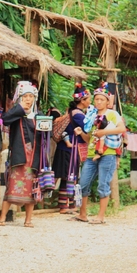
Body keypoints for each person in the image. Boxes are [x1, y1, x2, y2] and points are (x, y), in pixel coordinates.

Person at [69, 82, 126, 224]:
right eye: (97, 99)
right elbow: (90, 138)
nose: (99, 102)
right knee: (83, 184)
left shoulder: (112, 114)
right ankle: (83, 214)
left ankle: (100, 217)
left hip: (108, 153)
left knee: (103, 185)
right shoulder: (91, 115)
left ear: (107, 101)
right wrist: (81, 132)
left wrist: (104, 132)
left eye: (102, 99)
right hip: (91, 153)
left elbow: (122, 129)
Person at [0, 81, 42, 228]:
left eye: (31, 96)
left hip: (33, 157)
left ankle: (28, 220)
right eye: (25, 96)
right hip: (19, 156)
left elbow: (47, 135)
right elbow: (5, 120)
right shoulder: (16, 114)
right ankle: (2, 218)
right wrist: (20, 109)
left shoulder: (38, 116)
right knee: (12, 185)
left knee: (31, 187)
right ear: (19, 98)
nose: (28, 99)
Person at [52, 83, 92, 214]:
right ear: (82, 100)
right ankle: (64, 205)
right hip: (68, 149)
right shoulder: (78, 115)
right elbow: (89, 129)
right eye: (89, 99)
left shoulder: (73, 112)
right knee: (67, 176)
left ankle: (68, 204)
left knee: (69, 176)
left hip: (68, 148)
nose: (91, 101)